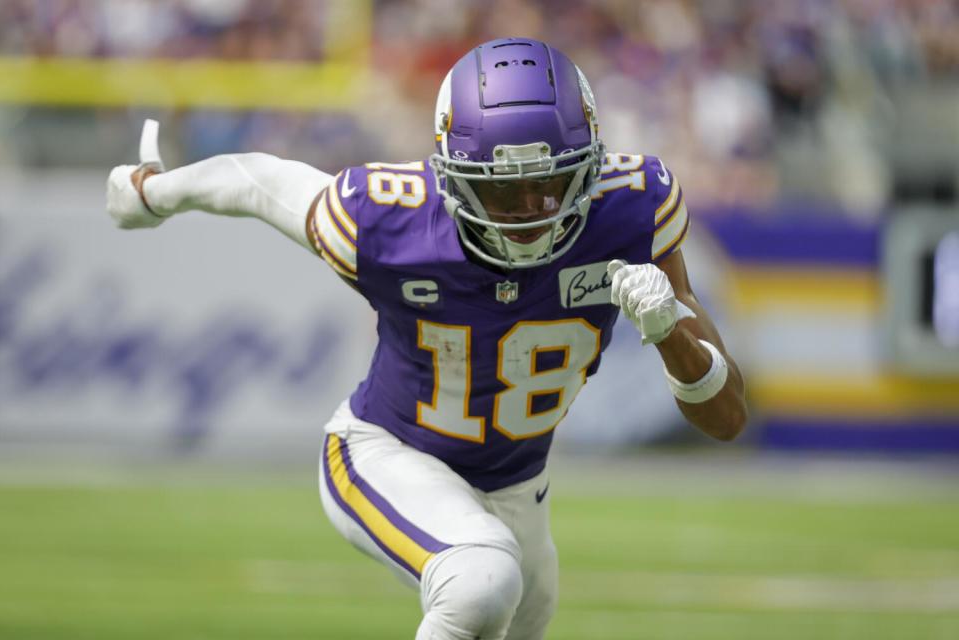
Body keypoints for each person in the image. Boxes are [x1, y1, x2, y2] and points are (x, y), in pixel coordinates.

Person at [106, 38, 747, 640]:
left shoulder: (632, 213)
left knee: (522, 609)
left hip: (520, 486)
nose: (531, 213)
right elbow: (258, 180)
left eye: (548, 184)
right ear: (453, 176)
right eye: (501, 193)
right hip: (383, 451)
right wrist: (154, 192)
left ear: (590, 166)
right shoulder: (389, 220)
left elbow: (727, 418)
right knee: (480, 578)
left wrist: (669, 334)